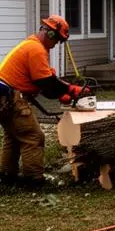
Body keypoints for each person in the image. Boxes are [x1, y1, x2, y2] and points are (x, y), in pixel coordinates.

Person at [0, 16, 92, 188]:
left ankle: (7, 175)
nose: (56, 44)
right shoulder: (36, 49)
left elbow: (45, 81)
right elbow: (46, 83)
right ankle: (34, 180)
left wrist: (62, 89)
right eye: (57, 40)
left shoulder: (30, 44)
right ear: (50, 32)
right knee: (33, 137)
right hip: (10, 97)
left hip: (4, 95)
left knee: (13, 136)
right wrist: (69, 90)